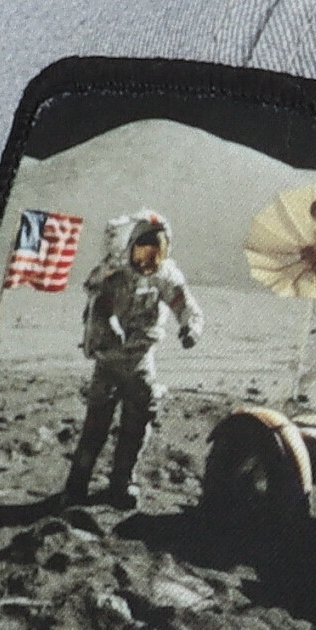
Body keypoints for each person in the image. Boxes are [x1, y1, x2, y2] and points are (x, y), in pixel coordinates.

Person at [64, 211, 201, 507]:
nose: (148, 261)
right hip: (109, 360)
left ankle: (122, 483)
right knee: (96, 426)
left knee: (136, 425)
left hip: (140, 360)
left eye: (156, 253)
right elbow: (101, 305)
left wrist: (190, 327)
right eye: (143, 252)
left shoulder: (165, 277)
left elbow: (184, 304)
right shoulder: (114, 273)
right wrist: (110, 324)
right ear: (131, 248)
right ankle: (77, 485)